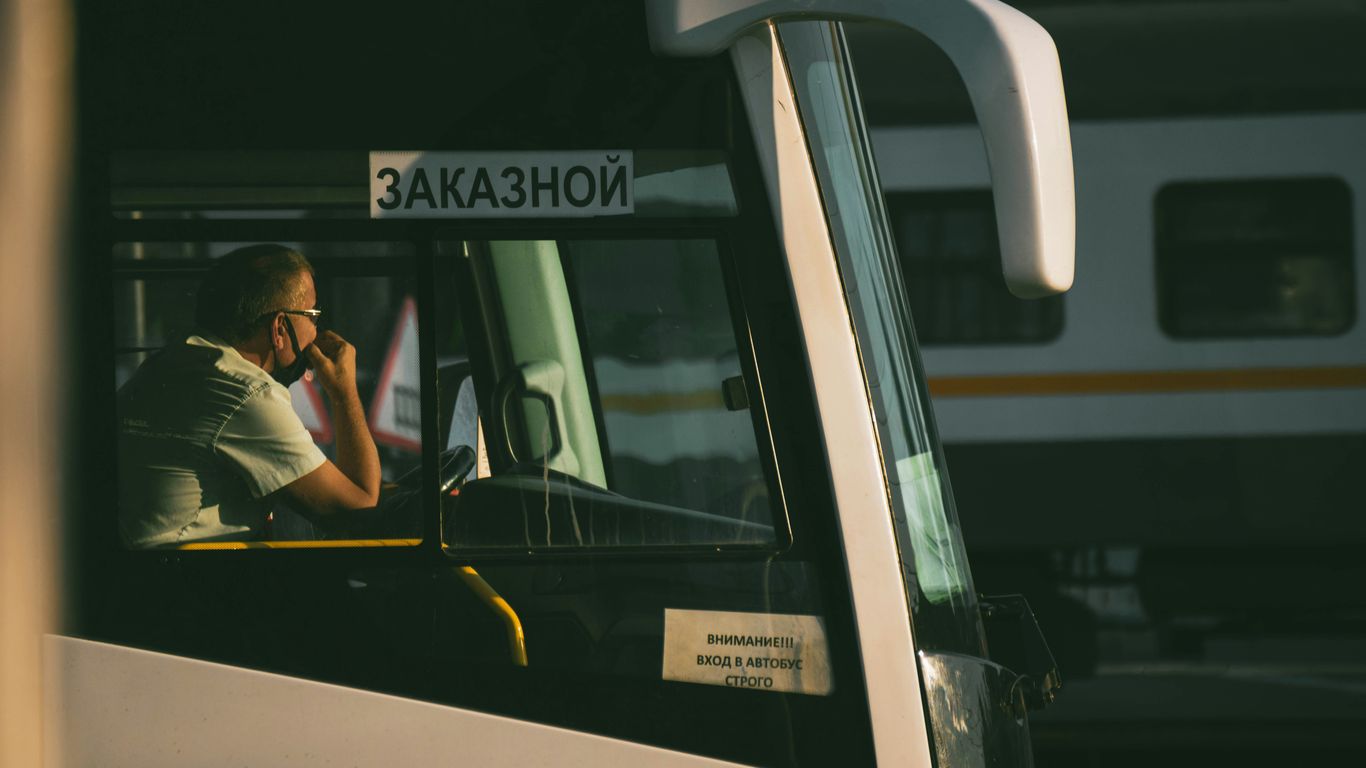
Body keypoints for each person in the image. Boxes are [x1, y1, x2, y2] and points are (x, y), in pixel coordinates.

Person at [117, 244, 381, 547]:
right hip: (182, 582)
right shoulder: (247, 395)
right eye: (313, 315)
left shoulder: (175, 360)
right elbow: (359, 508)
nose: (317, 331)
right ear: (279, 328)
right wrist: (344, 391)